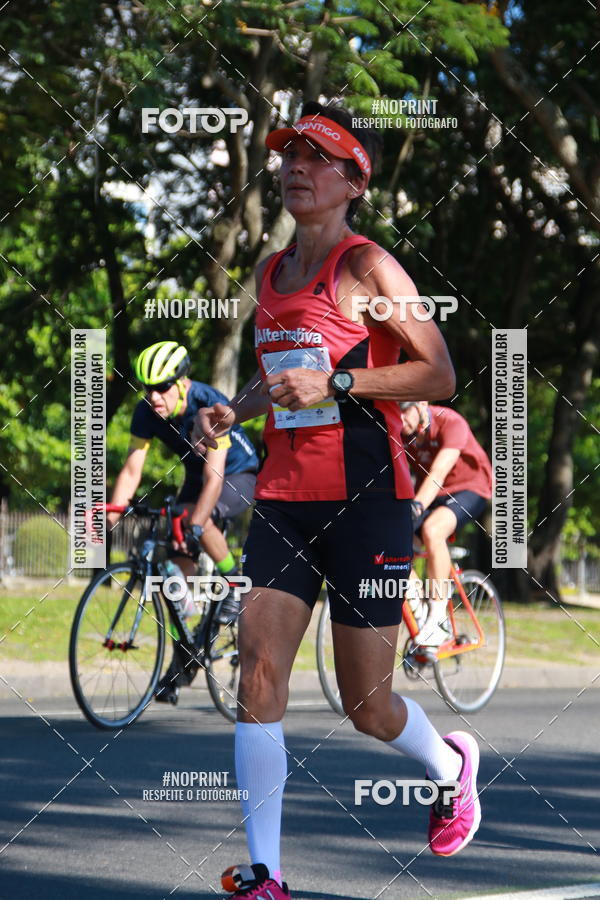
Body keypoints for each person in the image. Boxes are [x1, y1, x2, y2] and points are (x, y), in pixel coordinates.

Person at [192, 102, 481, 899]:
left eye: (317, 158)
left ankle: (450, 764)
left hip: (368, 500)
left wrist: (342, 380)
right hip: (284, 499)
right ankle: (266, 875)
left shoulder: (368, 267)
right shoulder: (268, 274)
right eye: (290, 154)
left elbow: (439, 372)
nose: (296, 167)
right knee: (258, 674)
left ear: (356, 180)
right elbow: (285, 380)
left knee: (367, 705)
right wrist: (235, 410)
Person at [108, 340, 259, 701]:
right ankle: (183, 660)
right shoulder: (146, 412)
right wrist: (112, 513)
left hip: (236, 474)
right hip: (195, 475)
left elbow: (214, 479)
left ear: (182, 383)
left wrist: (195, 526)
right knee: (174, 577)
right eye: (147, 388)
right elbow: (132, 468)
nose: (153, 396)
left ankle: (234, 583)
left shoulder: (207, 403)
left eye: (162, 387)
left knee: (194, 520)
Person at [400, 401, 493, 648]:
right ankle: (421, 612)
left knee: (433, 530)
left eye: (404, 409)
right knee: (395, 545)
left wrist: (416, 506)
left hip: (470, 488)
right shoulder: (401, 434)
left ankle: (438, 617)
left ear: (421, 404)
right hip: (432, 493)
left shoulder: (450, 422)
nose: (400, 418)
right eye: (394, 412)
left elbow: (438, 473)